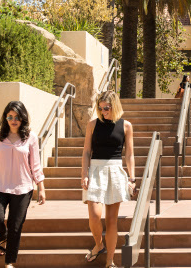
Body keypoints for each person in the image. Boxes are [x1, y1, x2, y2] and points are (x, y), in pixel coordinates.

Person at [0, 101, 46, 268]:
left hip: (22, 188)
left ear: (22, 118)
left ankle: (9, 263)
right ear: (5, 118)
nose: (13, 120)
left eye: (17, 117)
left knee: (15, 226)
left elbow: (35, 165)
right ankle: (3, 238)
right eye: (10, 116)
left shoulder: (31, 137)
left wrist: (41, 187)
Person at [81, 91, 135, 268]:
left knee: (112, 221)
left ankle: (109, 261)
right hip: (95, 171)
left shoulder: (126, 126)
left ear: (115, 105)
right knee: (95, 216)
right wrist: (84, 174)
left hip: (115, 170)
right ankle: (99, 244)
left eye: (107, 108)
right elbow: (87, 152)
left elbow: (129, 154)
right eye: (100, 107)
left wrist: (132, 178)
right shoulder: (92, 124)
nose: (103, 111)